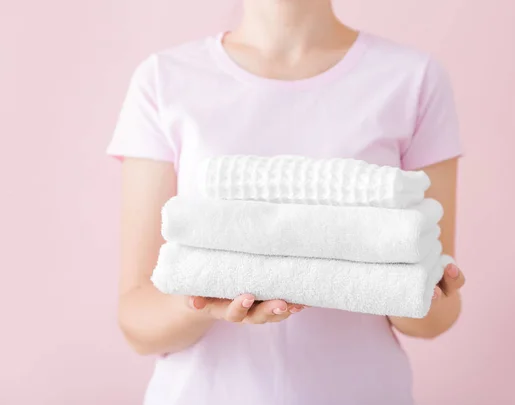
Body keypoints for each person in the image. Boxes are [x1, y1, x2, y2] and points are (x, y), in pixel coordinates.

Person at [106, 0, 466, 403]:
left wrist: (402, 285)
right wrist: (205, 300)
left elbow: (435, 316)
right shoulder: (164, 79)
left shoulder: (412, 79)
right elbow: (136, 320)